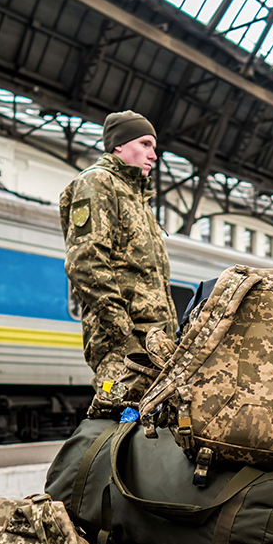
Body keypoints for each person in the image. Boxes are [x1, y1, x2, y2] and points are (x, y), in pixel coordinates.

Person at [59, 110, 178, 418]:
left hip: (152, 343)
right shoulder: (98, 183)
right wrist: (122, 330)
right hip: (125, 345)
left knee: (143, 427)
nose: (153, 155)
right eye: (145, 144)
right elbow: (85, 261)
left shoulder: (137, 198)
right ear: (119, 145)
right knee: (113, 416)